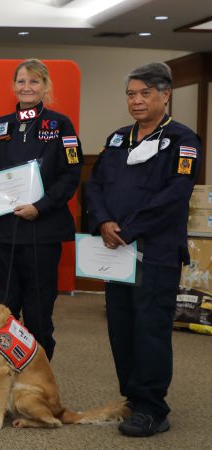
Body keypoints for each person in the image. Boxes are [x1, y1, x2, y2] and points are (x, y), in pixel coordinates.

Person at [85, 62, 199, 437]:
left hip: (156, 252)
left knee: (150, 329)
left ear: (165, 94)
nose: (136, 100)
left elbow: (175, 195)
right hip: (116, 252)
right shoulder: (119, 138)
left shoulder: (183, 140)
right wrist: (103, 221)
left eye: (144, 93)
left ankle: (153, 407)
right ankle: (133, 397)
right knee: (122, 327)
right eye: (131, 94)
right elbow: (96, 184)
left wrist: (129, 228)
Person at [0, 59, 82, 361]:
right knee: (1, 313)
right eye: (21, 81)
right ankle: (4, 377)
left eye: (34, 82)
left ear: (46, 87)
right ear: (13, 86)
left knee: (37, 315)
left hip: (41, 233)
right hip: (3, 236)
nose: (27, 87)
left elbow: (70, 175)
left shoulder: (61, 125)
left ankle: (39, 382)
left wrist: (41, 206)